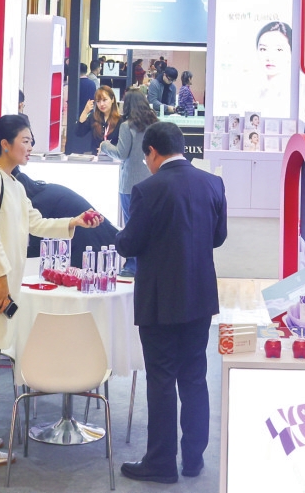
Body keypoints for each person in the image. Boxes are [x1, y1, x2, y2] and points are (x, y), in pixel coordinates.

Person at [0, 115, 91, 465]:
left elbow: (36, 223)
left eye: (31, 141)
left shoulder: (13, 184)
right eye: (25, 141)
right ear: (5, 144)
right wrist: (2, 277)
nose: (31, 147)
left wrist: (73, 222)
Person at [116, 121, 228, 483]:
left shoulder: (147, 190)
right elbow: (218, 237)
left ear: (151, 152)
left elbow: (129, 244)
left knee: (162, 379)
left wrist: (116, 236)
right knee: (194, 376)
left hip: (160, 301)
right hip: (200, 297)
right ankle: (193, 459)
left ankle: (161, 463)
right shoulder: (213, 183)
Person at [105, 90, 157, 226]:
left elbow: (121, 154)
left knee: (131, 226)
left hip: (130, 185)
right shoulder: (156, 125)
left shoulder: (126, 126)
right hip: (153, 182)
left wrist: (105, 146)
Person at [254, 21, 294, 115]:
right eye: (263, 49)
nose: (270, 57)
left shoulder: (294, 94)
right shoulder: (254, 92)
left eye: (279, 49)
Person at [73, 84, 121, 156]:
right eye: (98, 101)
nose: (101, 104)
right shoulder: (93, 117)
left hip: (114, 158)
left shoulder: (120, 120)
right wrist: (85, 112)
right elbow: (79, 132)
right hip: (96, 158)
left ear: (112, 99)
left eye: (104, 100)